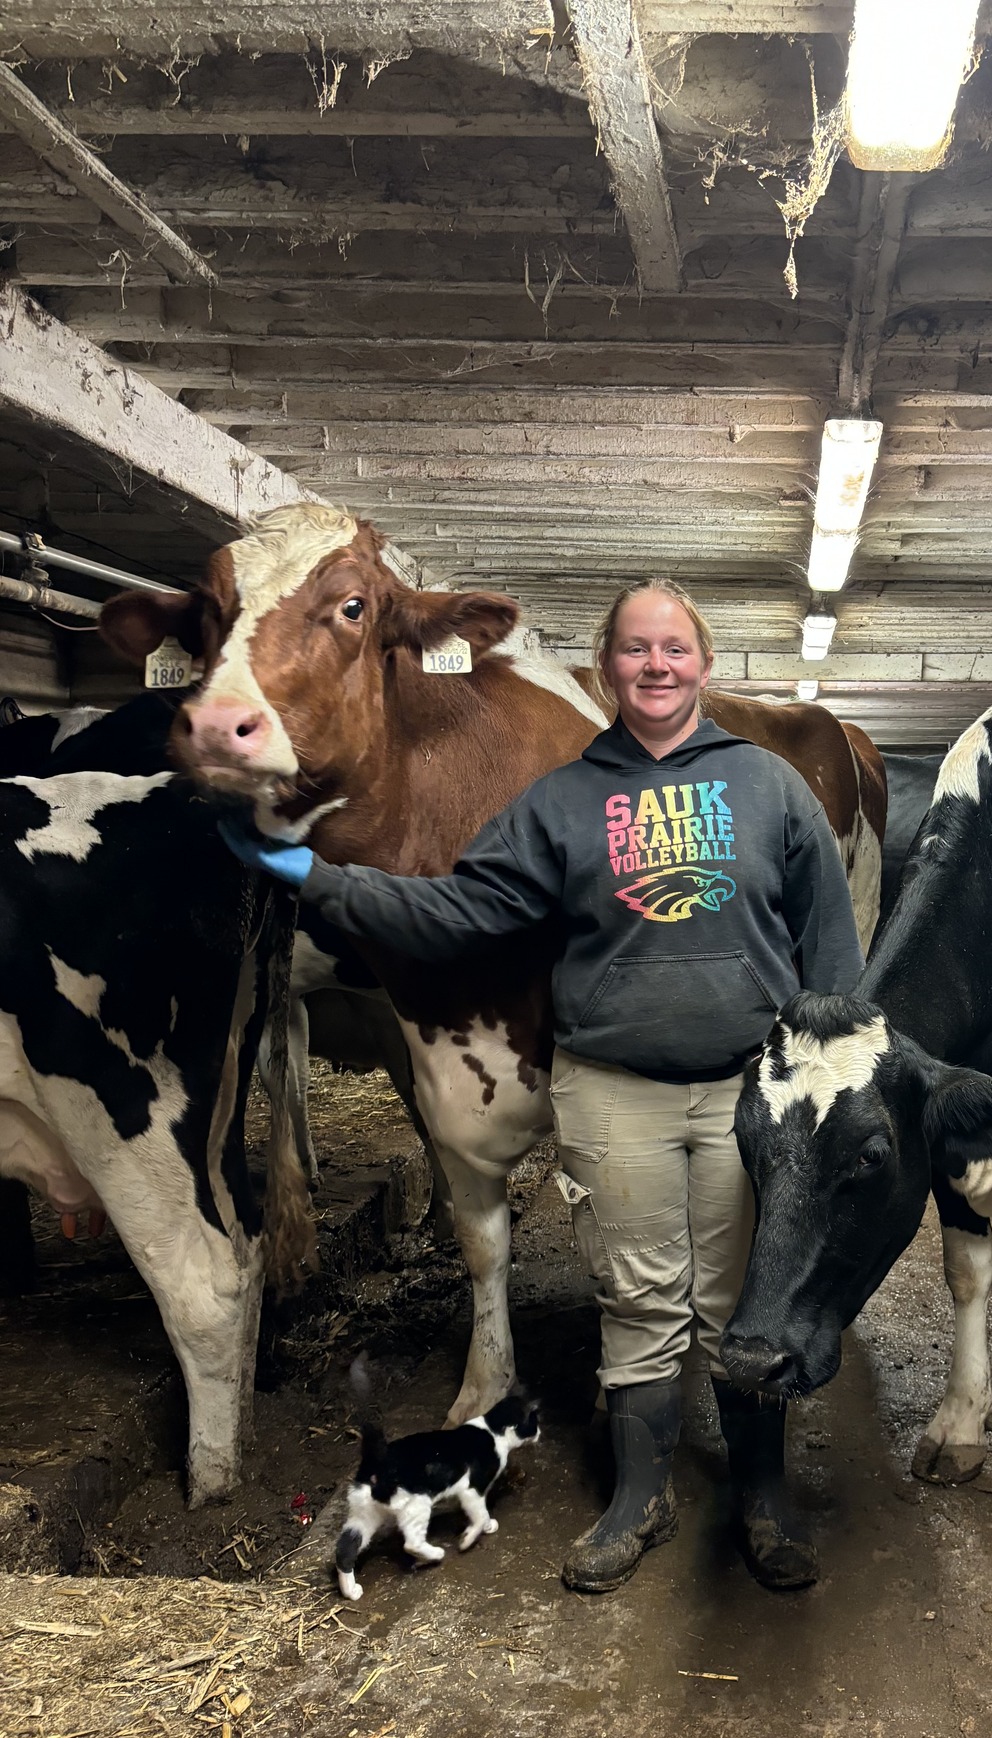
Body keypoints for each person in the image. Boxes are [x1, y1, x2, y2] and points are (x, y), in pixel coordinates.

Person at [223, 578, 863, 1594]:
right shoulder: (564, 796)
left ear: (703, 662)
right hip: (614, 1089)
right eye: (635, 649)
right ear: (608, 665)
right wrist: (321, 880)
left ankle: (764, 1493)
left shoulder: (767, 784)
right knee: (638, 1298)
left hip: (747, 1087)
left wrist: (831, 1088)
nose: (656, 666)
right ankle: (638, 1495)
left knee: (745, 1302)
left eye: (675, 648)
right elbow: (465, 910)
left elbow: (830, 949)